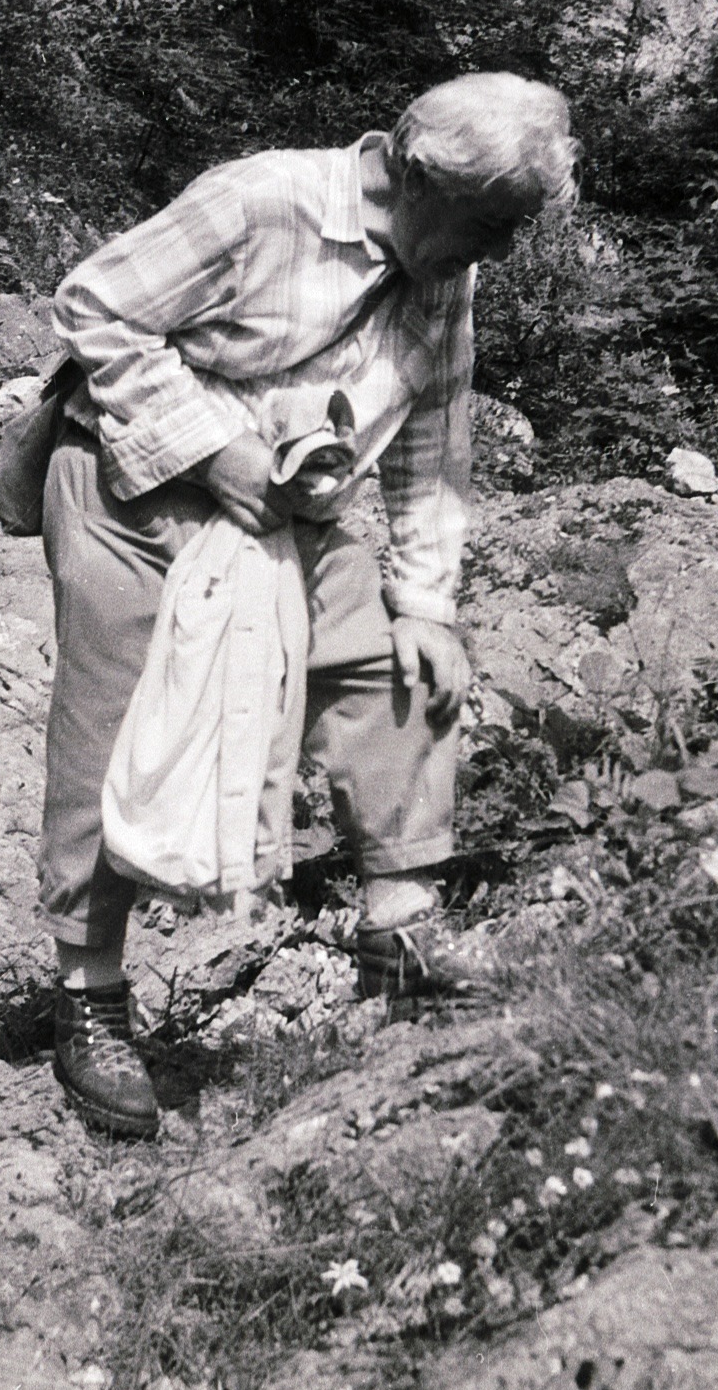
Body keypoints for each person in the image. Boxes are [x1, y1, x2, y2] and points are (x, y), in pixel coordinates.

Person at [39, 71, 579, 1137]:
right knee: (118, 719)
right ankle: (88, 996)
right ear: (417, 176)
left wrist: (427, 604)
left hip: (287, 504)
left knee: (397, 667)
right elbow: (95, 305)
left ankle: (402, 928)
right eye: (495, 222)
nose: (505, 250)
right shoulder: (261, 201)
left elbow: (434, 434)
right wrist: (216, 451)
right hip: (131, 484)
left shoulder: (443, 268)